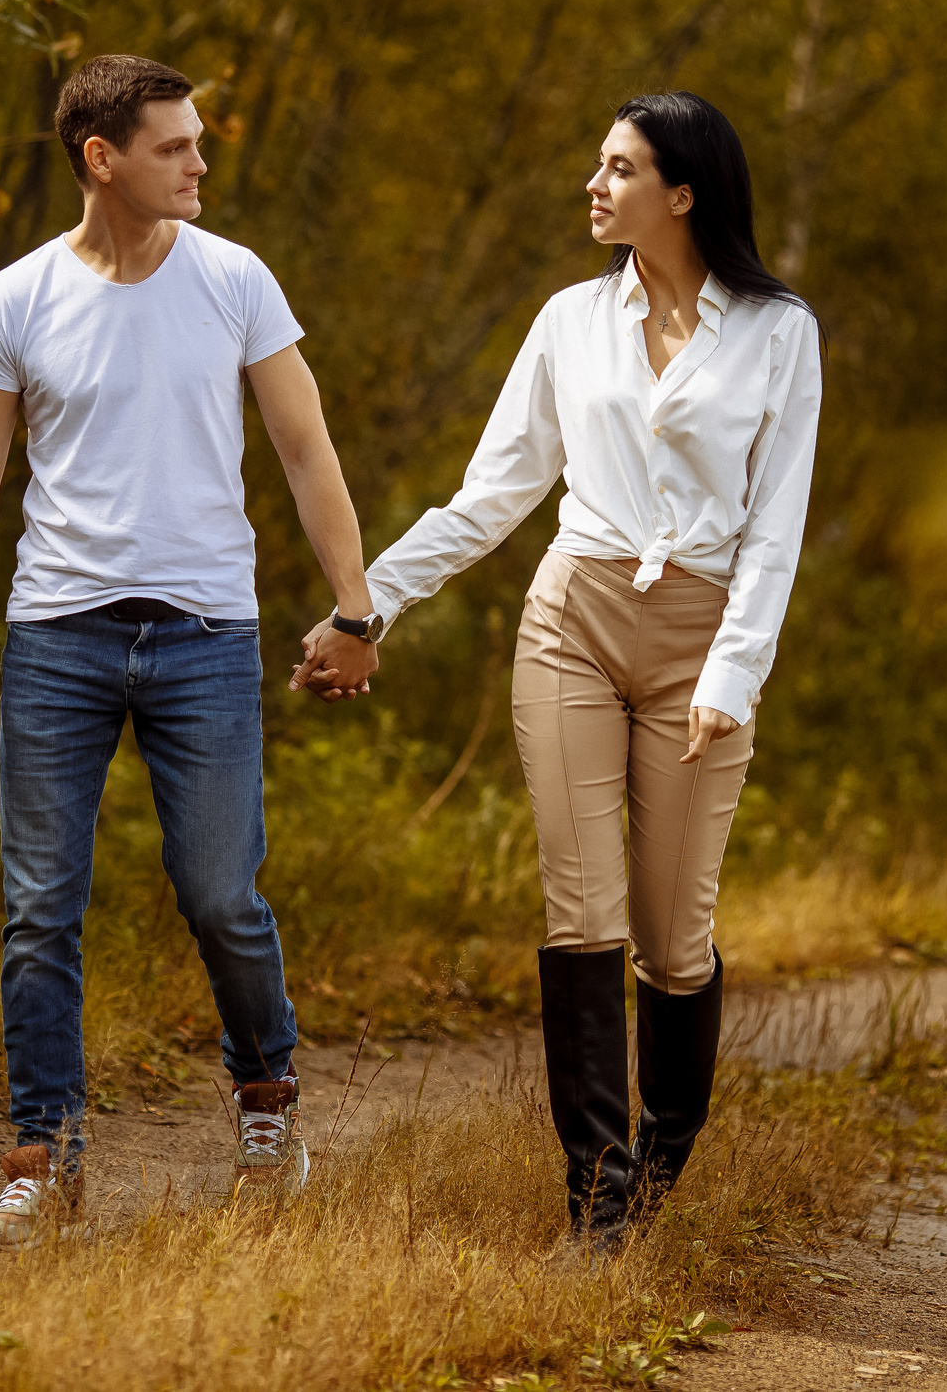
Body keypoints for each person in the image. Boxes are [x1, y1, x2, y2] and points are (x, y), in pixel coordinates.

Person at [299, 91, 822, 1249]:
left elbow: (775, 527)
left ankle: (664, 1157)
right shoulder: (567, 321)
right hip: (572, 620)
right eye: (598, 163)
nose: (594, 184)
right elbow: (491, 496)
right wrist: (367, 607)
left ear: (681, 193)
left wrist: (730, 677)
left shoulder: (779, 331)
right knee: (579, 910)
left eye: (619, 168)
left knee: (670, 938)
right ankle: (597, 1199)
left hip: (701, 641)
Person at [0, 53, 383, 1248]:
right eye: (175, 146)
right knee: (38, 913)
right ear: (101, 158)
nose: (199, 162)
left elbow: (306, 449)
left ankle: (266, 1105)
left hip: (205, 636)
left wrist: (356, 610)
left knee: (222, 898)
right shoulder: (15, 300)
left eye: (197, 140)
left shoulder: (234, 280)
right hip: (56, 637)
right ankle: (43, 1163)